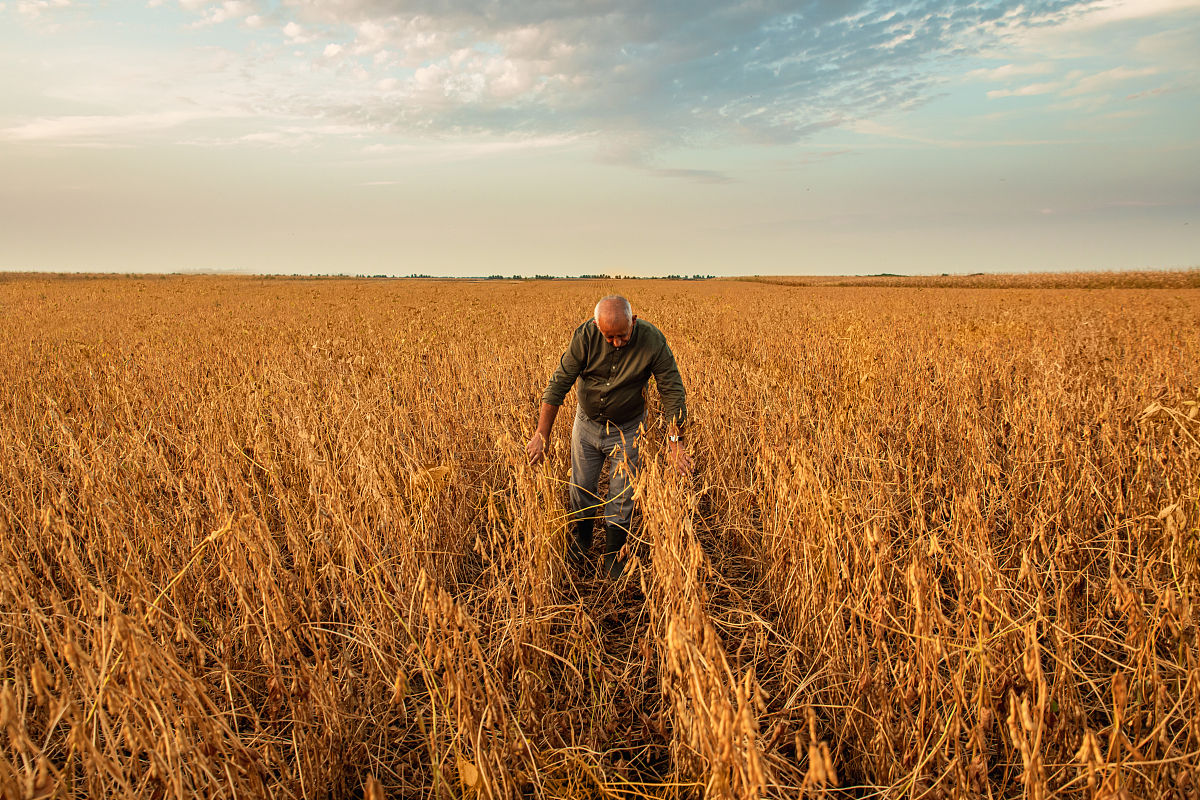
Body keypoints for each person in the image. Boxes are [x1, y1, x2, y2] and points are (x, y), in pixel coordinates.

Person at [526, 295, 692, 580]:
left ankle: (614, 553)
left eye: (622, 336)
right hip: (587, 426)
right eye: (609, 337)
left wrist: (675, 443)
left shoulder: (652, 340)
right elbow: (559, 384)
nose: (616, 342)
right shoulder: (585, 337)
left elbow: (672, 390)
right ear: (596, 326)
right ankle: (582, 542)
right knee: (581, 487)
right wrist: (542, 433)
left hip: (628, 429)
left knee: (623, 494)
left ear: (634, 322)